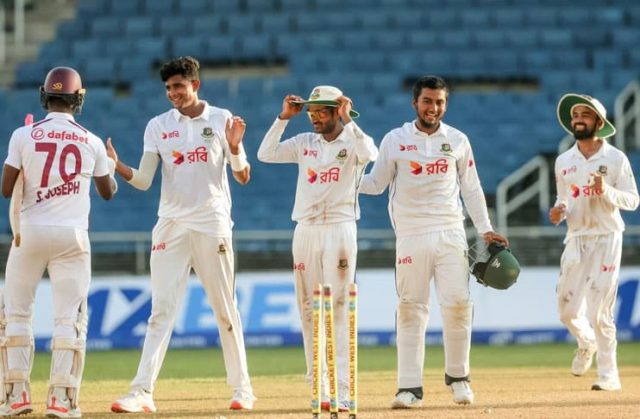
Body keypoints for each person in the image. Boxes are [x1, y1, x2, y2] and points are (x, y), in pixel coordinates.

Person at [107, 56, 256, 413]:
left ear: (195, 85)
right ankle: (142, 392)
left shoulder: (221, 119)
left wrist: (235, 148)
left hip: (212, 223)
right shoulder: (158, 125)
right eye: (168, 88)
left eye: (178, 86)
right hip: (171, 226)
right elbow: (143, 181)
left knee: (225, 310)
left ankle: (242, 390)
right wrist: (118, 167)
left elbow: (243, 175)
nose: (173, 93)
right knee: (161, 311)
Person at [360, 75, 508, 408]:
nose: (433, 107)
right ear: (415, 103)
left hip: (450, 232)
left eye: (439, 101)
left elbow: (471, 188)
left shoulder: (457, 140)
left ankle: (459, 378)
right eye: (427, 101)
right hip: (410, 235)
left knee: (457, 304)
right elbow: (375, 183)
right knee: (411, 309)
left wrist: (485, 228)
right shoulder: (395, 140)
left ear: (445, 104)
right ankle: (409, 388)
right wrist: (343, 175)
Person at [0, 66, 116, 418]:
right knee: (69, 320)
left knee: (16, 316)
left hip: (29, 233)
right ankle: (61, 400)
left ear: (44, 94)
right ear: (78, 99)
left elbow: (7, 190)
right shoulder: (92, 140)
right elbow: (107, 192)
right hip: (73, 237)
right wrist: (109, 165)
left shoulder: (23, 134)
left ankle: (14, 396)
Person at [257, 86, 378, 411]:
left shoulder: (351, 142)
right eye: (311, 113)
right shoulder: (303, 143)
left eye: (321, 112)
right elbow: (265, 153)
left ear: (337, 112)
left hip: (340, 228)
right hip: (306, 230)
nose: (314, 118)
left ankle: (343, 387)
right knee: (309, 309)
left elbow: (371, 154)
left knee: (339, 307)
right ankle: (319, 386)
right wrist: (283, 118)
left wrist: (349, 121)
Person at [549, 94, 638, 391]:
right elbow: (566, 198)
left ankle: (608, 375)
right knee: (567, 310)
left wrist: (607, 192)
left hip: (607, 236)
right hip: (576, 237)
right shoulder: (564, 160)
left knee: (600, 308)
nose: (578, 119)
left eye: (585, 114)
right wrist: (559, 210)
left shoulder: (615, 158)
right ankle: (585, 342)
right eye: (575, 114)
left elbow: (633, 201)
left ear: (598, 123)